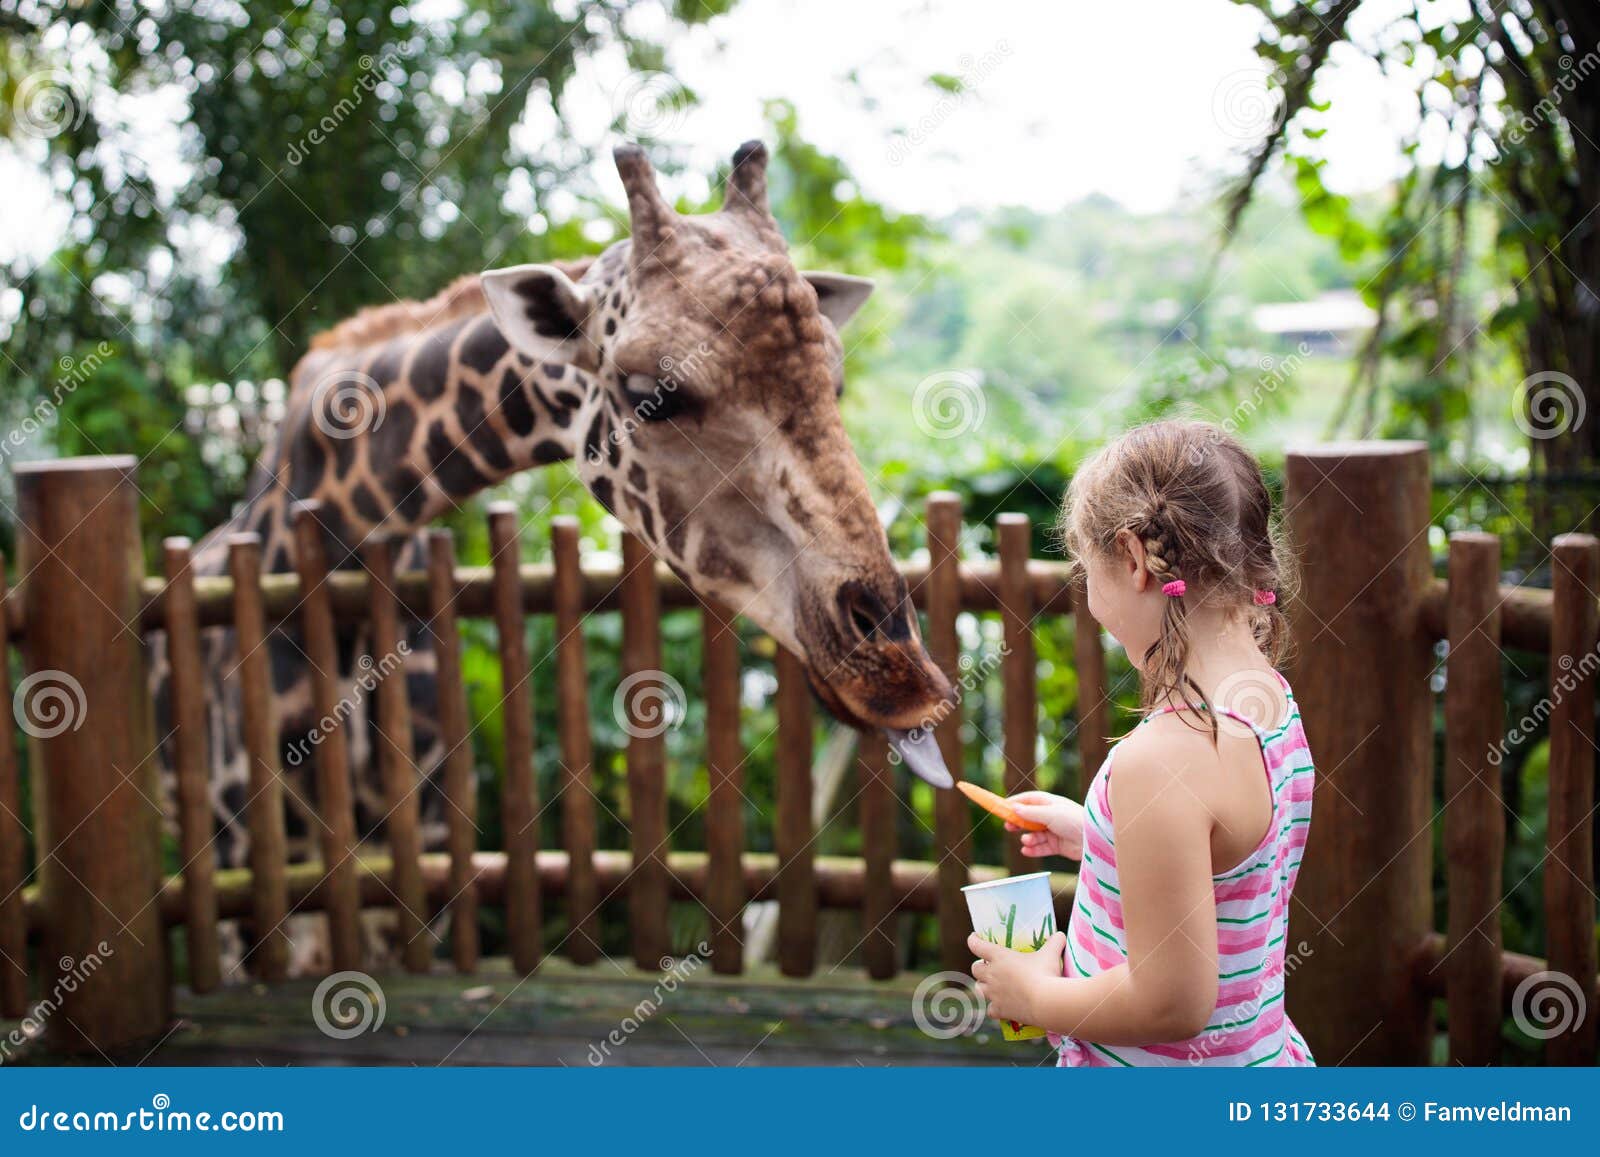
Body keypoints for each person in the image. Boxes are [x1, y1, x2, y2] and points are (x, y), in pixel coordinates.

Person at [969, 418, 1315, 1066]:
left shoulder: (1162, 760)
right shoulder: (1265, 699)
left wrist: (1034, 994)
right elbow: (1228, 863)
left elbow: (1172, 1002)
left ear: (1131, 559)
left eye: (1086, 568)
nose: (1088, 594)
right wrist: (1101, 836)